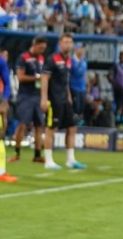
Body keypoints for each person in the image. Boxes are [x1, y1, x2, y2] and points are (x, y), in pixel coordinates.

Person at [40, 33, 87, 170]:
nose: (68, 44)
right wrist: (44, 98)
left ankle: (70, 160)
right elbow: (44, 78)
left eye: (70, 42)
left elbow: (65, 81)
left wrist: (69, 97)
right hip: (53, 99)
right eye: (65, 42)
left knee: (72, 127)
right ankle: (48, 160)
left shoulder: (68, 60)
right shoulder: (52, 59)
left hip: (64, 99)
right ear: (60, 44)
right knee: (51, 128)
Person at [11, 36, 47, 163]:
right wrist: (36, 78)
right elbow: (20, 77)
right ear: (34, 45)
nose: (42, 50)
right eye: (41, 48)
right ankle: (16, 153)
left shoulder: (41, 58)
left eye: (44, 48)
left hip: (37, 95)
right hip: (25, 95)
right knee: (22, 124)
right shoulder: (23, 57)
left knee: (39, 125)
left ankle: (37, 155)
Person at [0, 48, 16, 183]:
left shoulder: (1, 62)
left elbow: (7, 84)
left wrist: (4, 101)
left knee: (0, 136)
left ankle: (1, 172)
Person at [70, 44, 88, 125]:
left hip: (82, 88)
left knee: (81, 107)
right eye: (81, 49)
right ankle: (73, 124)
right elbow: (75, 72)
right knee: (75, 108)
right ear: (76, 49)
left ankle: (80, 123)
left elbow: (84, 74)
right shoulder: (71, 61)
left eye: (83, 49)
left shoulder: (84, 61)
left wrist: (86, 85)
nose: (83, 51)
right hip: (74, 87)